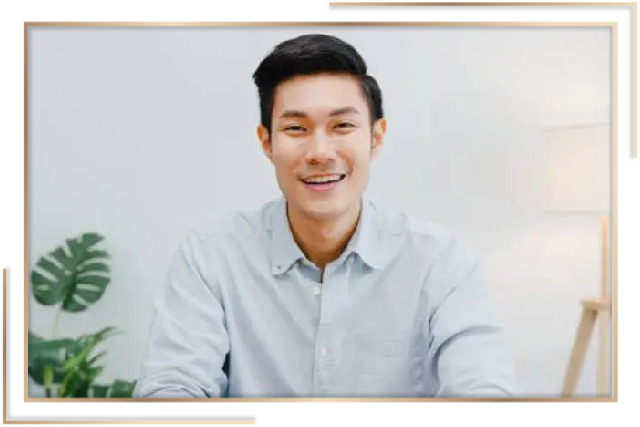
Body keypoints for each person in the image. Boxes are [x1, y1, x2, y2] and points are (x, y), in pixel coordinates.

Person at [133, 33, 518, 398]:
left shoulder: (441, 260)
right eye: (296, 128)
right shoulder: (210, 255)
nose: (320, 152)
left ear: (376, 137)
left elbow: (482, 381)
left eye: (343, 126)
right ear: (267, 142)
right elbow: (173, 381)